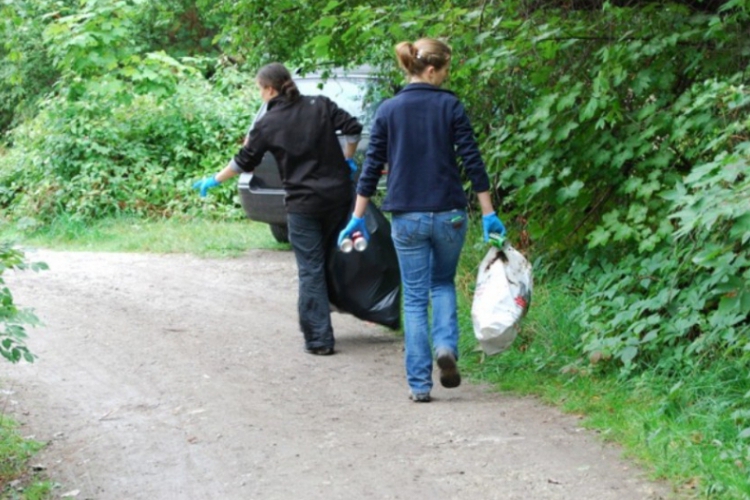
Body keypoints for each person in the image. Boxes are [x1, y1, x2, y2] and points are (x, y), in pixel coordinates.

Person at [338, 38, 506, 402]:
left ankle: (419, 385)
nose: (447, 76)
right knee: (442, 283)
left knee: (414, 298)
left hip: (407, 216)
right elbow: (473, 162)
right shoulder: (451, 106)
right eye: (445, 69)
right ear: (432, 69)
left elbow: (370, 169)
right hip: (449, 215)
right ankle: (445, 346)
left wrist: (357, 218)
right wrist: (489, 213)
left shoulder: (388, 110)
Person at [194, 62, 363, 356]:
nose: (260, 94)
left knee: (310, 268)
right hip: (338, 198)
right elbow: (353, 128)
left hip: (303, 204)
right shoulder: (319, 105)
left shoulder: (268, 124)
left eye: (260, 89)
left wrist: (214, 179)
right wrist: (347, 159)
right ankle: (336, 310)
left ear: (270, 89)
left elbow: (244, 161)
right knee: (326, 260)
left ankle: (320, 339)